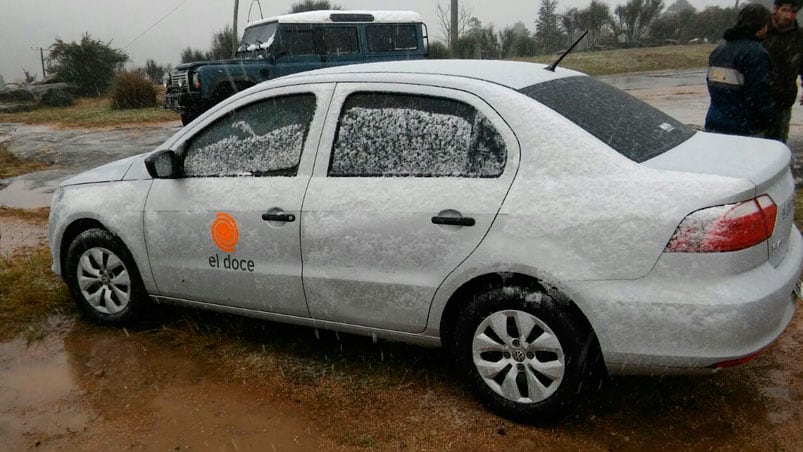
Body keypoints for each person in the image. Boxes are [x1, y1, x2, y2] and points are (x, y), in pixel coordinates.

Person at [705, 4, 776, 137]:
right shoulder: (756, 53)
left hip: (715, 121)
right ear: (761, 26)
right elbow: (758, 93)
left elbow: (712, 85)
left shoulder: (719, 50)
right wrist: (769, 117)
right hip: (744, 126)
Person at [763, 0, 803, 143]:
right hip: (759, 98)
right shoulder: (761, 31)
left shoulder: (799, 36)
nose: (788, 16)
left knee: (779, 143)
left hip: (784, 100)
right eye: (785, 10)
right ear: (775, 9)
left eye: (793, 12)